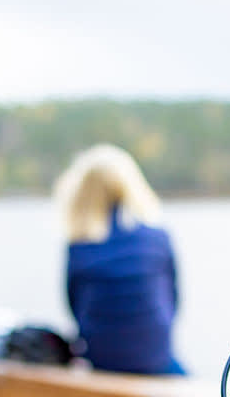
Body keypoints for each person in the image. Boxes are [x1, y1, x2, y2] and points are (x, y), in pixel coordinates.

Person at [55, 144, 185, 375]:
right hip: (154, 358)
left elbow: (74, 307)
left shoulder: (79, 244)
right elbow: (173, 301)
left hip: (102, 361)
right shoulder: (157, 236)